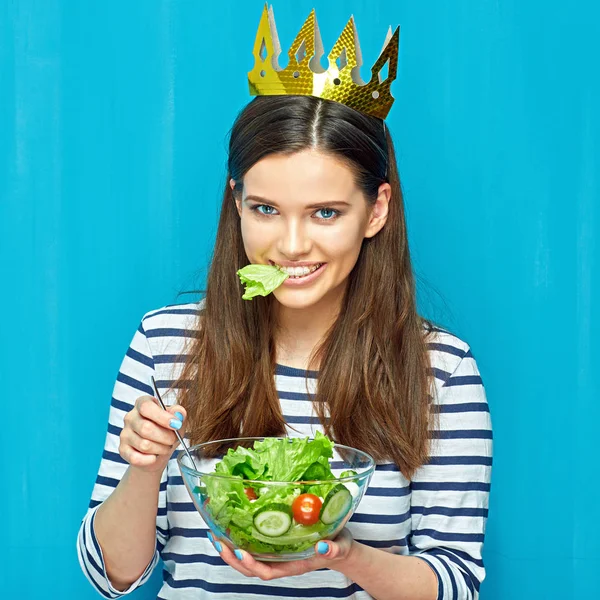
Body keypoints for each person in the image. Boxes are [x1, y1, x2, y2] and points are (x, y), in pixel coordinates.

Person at [77, 8, 492, 600]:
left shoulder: (440, 370)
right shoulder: (165, 345)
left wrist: (345, 557)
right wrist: (144, 469)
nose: (291, 246)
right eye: (266, 209)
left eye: (326, 213)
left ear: (376, 211)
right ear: (236, 203)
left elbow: (456, 584)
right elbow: (110, 575)